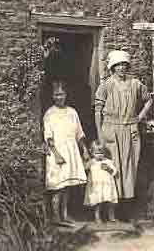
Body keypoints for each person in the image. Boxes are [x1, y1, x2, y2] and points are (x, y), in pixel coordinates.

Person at [94, 50, 152, 222]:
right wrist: (100, 135)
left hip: (130, 130)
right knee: (111, 169)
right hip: (110, 129)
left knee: (129, 170)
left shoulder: (135, 84)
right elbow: (98, 111)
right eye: (118, 65)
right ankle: (107, 212)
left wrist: (139, 117)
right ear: (112, 67)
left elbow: (148, 100)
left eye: (124, 65)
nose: (121, 68)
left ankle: (124, 211)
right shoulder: (106, 85)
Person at [44, 80, 89, 225]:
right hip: (56, 152)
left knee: (67, 185)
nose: (59, 97)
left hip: (71, 151)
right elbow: (48, 137)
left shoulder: (72, 112)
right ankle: (56, 217)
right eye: (56, 95)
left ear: (66, 95)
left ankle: (65, 215)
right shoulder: (49, 114)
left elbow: (79, 133)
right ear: (52, 96)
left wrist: (85, 150)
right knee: (58, 186)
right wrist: (56, 155)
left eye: (61, 94)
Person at [83, 141, 118, 223]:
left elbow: (115, 171)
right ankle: (97, 216)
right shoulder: (92, 162)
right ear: (92, 152)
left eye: (101, 153)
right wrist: (85, 159)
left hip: (107, 185)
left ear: (105, 152)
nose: (99, 155)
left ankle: (111, 216)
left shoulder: (108, 161)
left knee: (110, 201)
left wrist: (108, 169)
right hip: (96, 186)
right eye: (97, 153)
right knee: (97, 202)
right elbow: (85, 167)